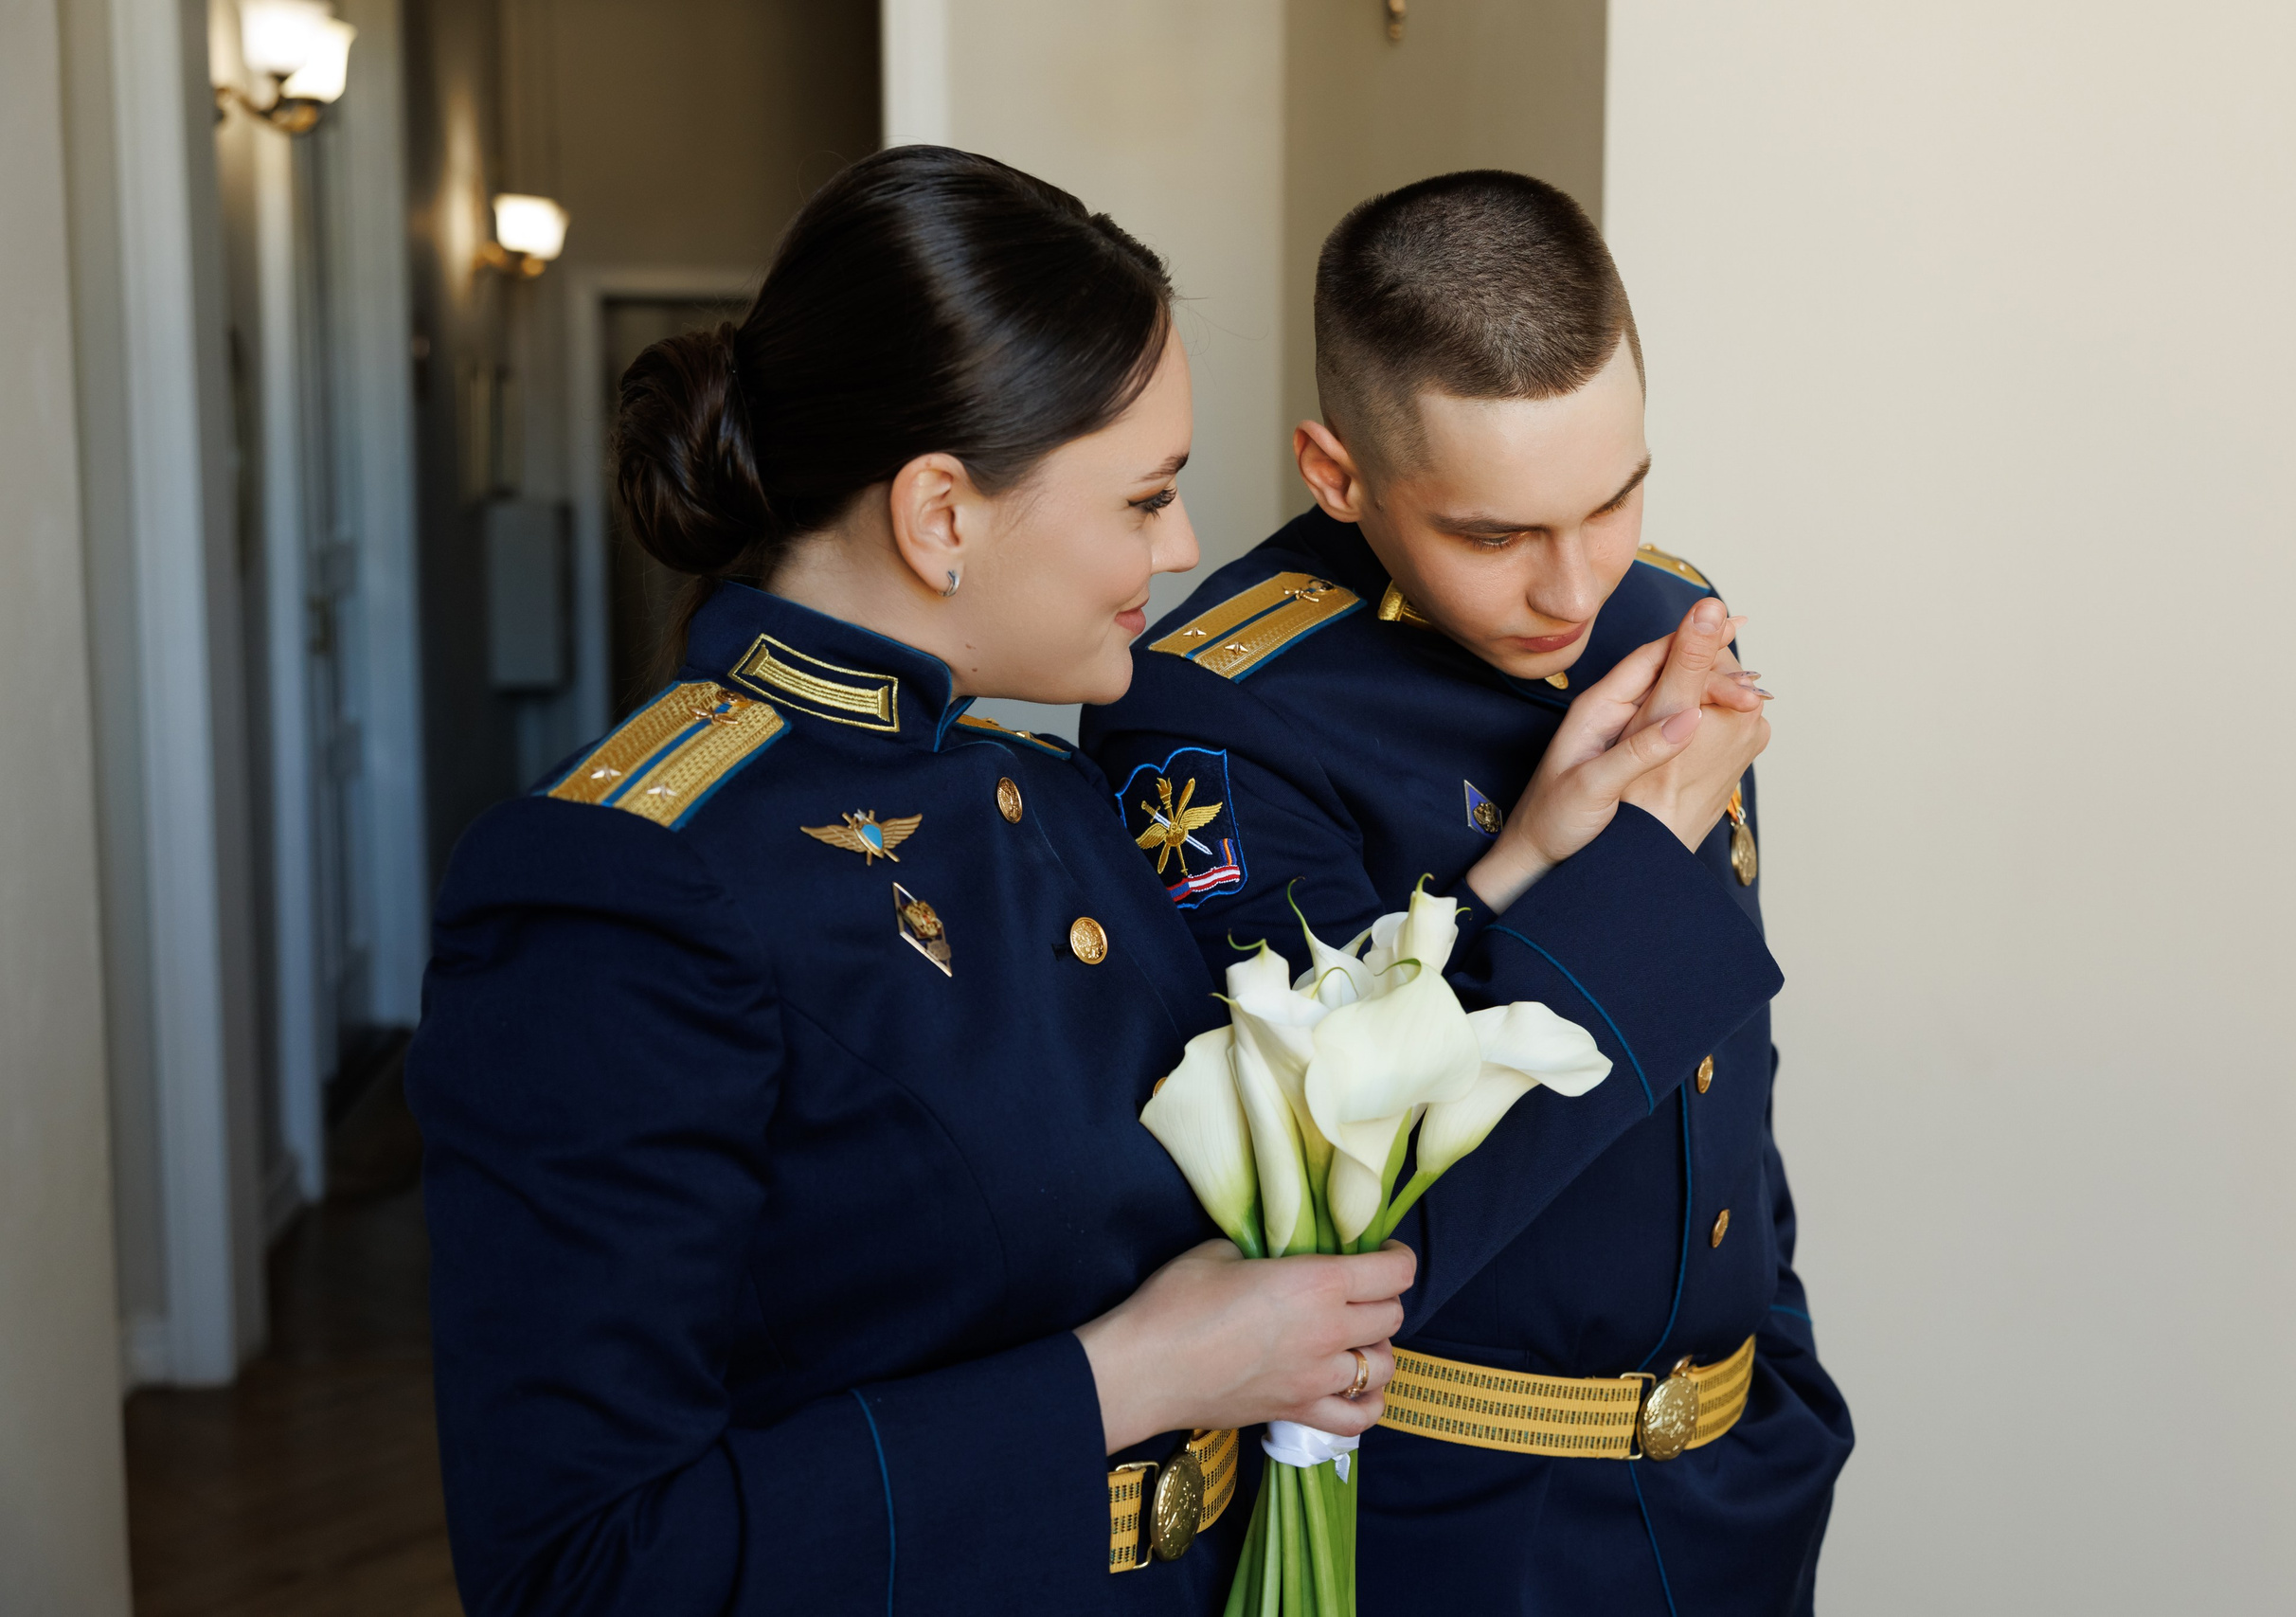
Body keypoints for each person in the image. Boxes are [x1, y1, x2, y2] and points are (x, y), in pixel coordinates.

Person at [404, 146, 1417, 1617]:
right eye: (1146, 500)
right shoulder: (616, 887)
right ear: (941, 513)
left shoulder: (1054, 798)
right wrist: (1137, 1377)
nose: (1183, 548)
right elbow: (584, 1569)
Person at [1082, 171, 1854, 1614]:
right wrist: (1625, 860)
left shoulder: (1657, 611)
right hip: (1454, 1517)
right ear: (1338, 473)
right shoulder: (1215, 713)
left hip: (1743, 1484)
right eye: (1494, 537)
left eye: (1616, 496)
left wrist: (1784, 1376)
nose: (1574, 587)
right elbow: (1322, 1214)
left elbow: (1722, 1084)